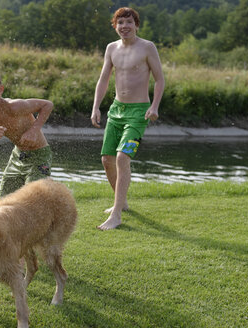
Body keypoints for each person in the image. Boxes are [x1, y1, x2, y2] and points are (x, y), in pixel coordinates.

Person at [90, 7, 165, 230]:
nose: (124, 26)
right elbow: (103, 80)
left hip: (139, 113)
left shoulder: (147, 47)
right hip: (116, 111)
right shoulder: (111, 48)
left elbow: (160, 79)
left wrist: (154, 106)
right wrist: (96, 107)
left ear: (136, 25)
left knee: (123, 157)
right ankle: (121, 203)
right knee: (107, 159)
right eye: (120, 22)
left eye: (129, 22)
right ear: (115, 26)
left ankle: (116, 215)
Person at [0, 67, 54, 199]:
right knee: (3, 205)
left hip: (40, 155)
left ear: (0, 90)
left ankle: (50, 195)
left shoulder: (15, 107)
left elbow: (47, 105)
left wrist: (33, 130)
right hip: (17, 156)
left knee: (33, 200)